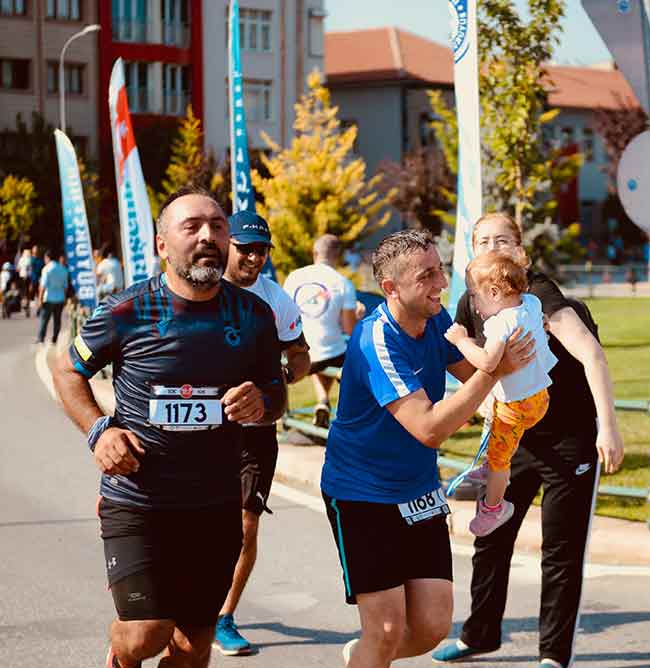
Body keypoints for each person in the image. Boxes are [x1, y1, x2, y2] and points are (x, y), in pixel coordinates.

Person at [52, 186, 287, 668]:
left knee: (193, 644)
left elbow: (277, 394)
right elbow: (67, 370)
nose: (208, 237)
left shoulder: (254, 315)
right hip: (138, 501)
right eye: (193, 227)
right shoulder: (127, 311)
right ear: (163, 245)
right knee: (145, 634)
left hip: (214, 507)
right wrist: (100, 430)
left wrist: (261, 401)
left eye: (218, 227)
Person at [320, 230, 534, 668]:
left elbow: (470, 381)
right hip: (363, 495)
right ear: (391, 289)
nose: (442, 283)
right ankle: (371, 652)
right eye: (428, 275)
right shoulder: (375, 340)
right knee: (383, 629)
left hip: (419, 491)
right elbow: (430, 427)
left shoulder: (435, 320)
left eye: (441, 269)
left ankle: (363, 657)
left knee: (432, 627)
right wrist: (493, 372)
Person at [432, 212, 625, 668]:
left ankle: (552, 656)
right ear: (472, 250)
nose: (493, 247)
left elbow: (592, 355)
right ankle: (480, 635)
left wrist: (608, 425)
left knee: (560, 552)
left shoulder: (538, 295)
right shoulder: (474, 298)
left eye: (503, 240)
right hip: (514, 437)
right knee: (491, 537)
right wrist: (481, 399)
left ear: (521, 252)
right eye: (483, 240)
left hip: (569, 443)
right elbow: (463, 360)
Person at [212, 210, 311, 655]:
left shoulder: (276, 300)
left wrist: (283, 376)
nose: (253, 258)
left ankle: (223, 616)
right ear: (226, 245)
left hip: (256, 429)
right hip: (204, 428)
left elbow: (301, 353)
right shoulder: (203, 288)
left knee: (246, 527)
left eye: (261, 250)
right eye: (245, 248)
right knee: (193, 520)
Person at [444, 249, 557, 536]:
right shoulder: (531, 302)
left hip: (516, 406)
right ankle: (490, 468)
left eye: (474, 296)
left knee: (499, 460)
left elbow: (487, 362)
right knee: (493, 413)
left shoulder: (500, 322)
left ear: (494, 292)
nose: (473, 304)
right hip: (540, 397)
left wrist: (461, 341)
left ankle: (494, 508)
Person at [284, 234, 358, 428]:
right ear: (338, 256)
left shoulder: (294, 277)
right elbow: (351, 329)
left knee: (318, 352)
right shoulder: (343, 283)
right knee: (333, 351)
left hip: (298, 352)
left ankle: (322, 400)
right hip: (330, 353)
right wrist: (359, 313)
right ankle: (329, 400)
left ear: (315, 253)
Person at [37, 249, 69, 344]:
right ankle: (54, 339)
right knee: (57, 320)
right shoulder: (63, 269)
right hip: (60, 298)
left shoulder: (47, 269)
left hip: (49, 298)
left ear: (47, 258)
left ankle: (41, 339)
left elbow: (43, 286)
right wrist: (65, 298)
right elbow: (65, 287)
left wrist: (40, 299)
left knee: (44, 319)